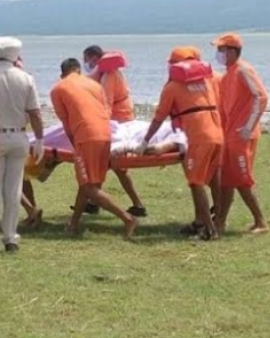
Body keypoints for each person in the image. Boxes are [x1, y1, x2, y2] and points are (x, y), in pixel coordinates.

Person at [138, 46, 224, 240]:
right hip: (217, 134)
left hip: (198, 138)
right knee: (211, 178)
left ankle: (210, 232)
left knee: (195, 182)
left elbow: (159, 118)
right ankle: (204, 222)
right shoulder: (210, 81)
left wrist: (144, 141)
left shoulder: (172, 87)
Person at [50, 58, 137, 239]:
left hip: (86, 137)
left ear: (62, 74)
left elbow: (66, 124)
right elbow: (106, 112)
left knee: (89, 187)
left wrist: (76, 147)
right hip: (105, 134)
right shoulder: (94, 85)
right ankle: (73, 224)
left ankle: (127, 218)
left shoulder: (58, 88)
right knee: (91, 184)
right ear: (79, 71)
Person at [0, 36, 44, 253]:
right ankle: (11, 236)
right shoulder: (26, 78)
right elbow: (35, 113)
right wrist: (40, 139)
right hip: (18, 136)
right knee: (13, 189)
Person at [211, 33, 269, 235]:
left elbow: (260, 97)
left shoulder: (243, 70)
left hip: (242, 135)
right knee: (227, 179)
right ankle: (220, 221)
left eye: (221, 50)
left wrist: (248, 127)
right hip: (230, 134)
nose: (218, 54)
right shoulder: (228, 74)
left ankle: (260, 221)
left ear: (232, 51)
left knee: (241, 179)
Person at [82, 45, 146, 218]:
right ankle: (97, 203)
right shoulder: (110, 72)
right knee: (111, 166)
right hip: (121, 120)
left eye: (86, 60)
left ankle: (96, 203)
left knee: (111, 165)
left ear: (94, 58)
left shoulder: (109, 75)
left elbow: (107, 105)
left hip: (119, 124)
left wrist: (99, 126)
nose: (85, 64)